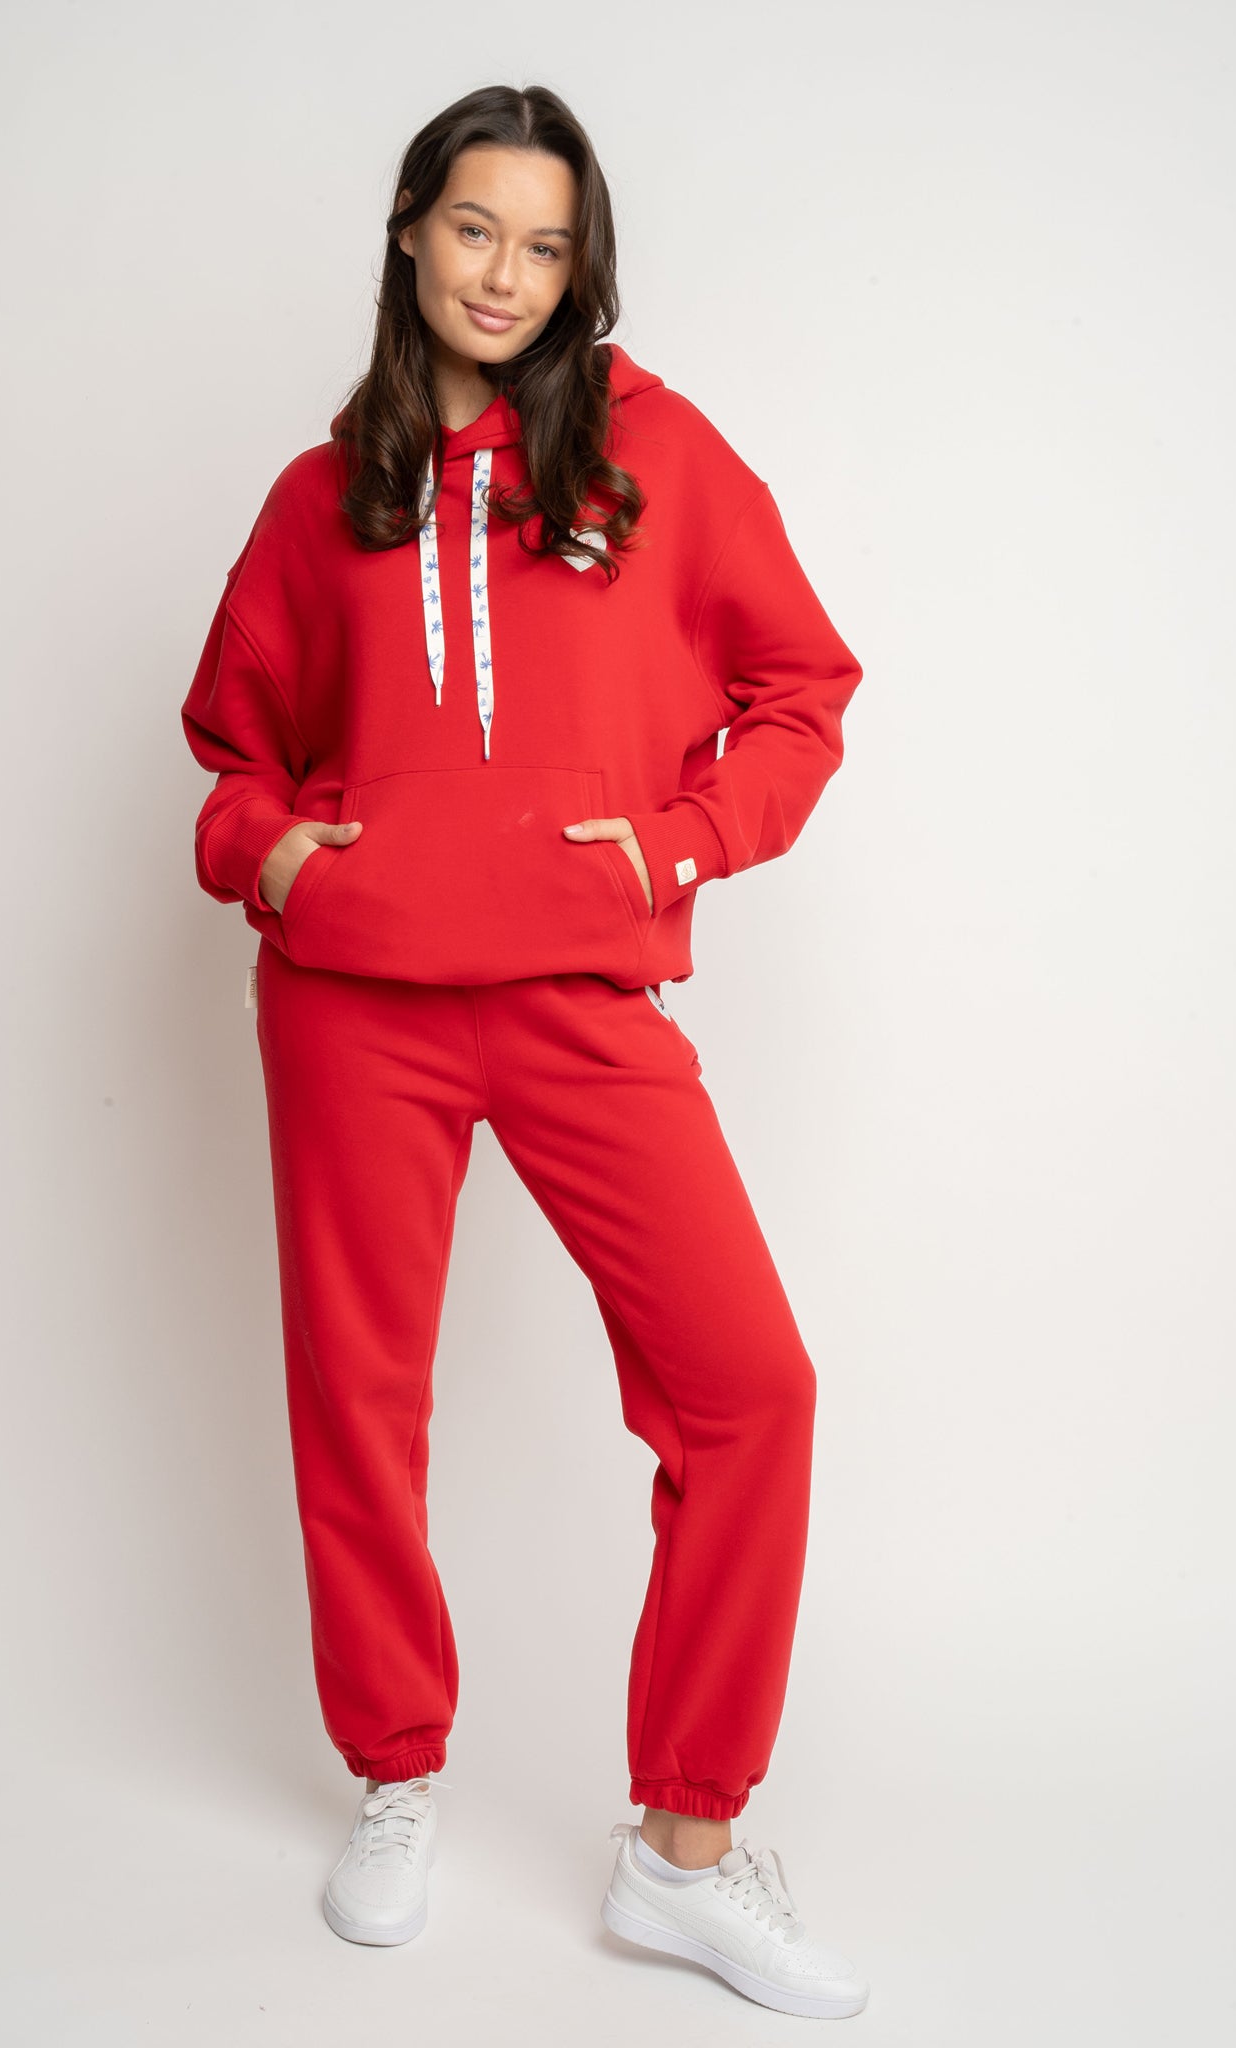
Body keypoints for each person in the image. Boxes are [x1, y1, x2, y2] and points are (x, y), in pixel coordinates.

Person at [180, 83, 868, 2021]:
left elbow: (801, 690)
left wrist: (677, 844)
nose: (503, 275)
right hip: (353, 1003)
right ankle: (394, 1773)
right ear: (410, 228)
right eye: (474, 228)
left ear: (582, 268)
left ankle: (684, 1850)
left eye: (544, 245)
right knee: (358, 1397)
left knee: (748, 1391)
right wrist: (273, 857)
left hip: (577, 994)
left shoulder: (653, 457)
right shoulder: (324, 495)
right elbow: (228, 755)